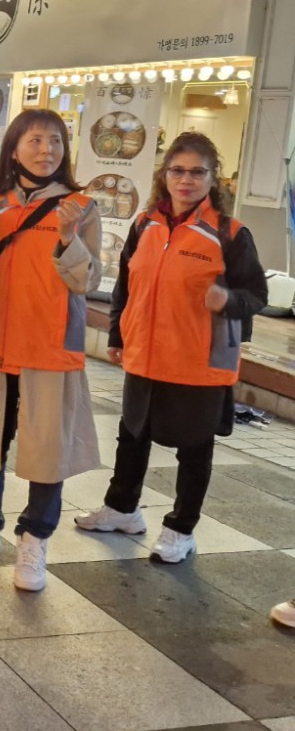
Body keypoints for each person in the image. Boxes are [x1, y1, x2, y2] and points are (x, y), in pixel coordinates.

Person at [76, 131, 266, 563]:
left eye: (197, 172)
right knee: (132, 435)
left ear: (213, 179)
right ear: (165, 175)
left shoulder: (230, 233)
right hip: (144, 355)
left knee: (194, 450)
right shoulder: (145, 224)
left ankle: (182, 528)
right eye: (178, 171)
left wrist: (228, 300)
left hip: (199, 362)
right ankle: (122, 508)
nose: (186, 180)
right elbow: (127, 286)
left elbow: (256, 294)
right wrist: (118, 337)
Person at [0, 109, 102, 591]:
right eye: (36, 140)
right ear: (14, 148)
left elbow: (88, 282)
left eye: (56, 142)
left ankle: (35, 540)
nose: (47, 151)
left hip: (49, 346)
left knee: (47, 450)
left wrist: (68, 239)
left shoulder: (81, 207)